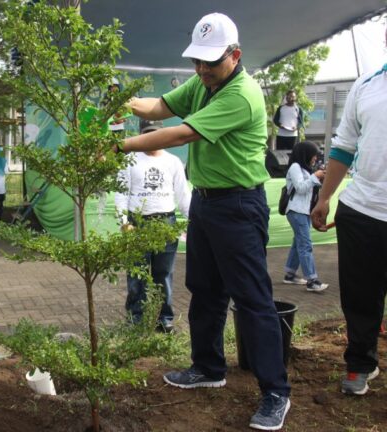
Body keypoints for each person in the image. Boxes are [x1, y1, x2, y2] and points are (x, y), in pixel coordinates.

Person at [117, 13, 291, 430]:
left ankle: (276, 393)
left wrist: (117, 146)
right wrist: (118, 99)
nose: (201, 70)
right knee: (205, 289)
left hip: (239, 206)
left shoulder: (242, 94)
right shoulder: (204, 81)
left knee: (251, 299)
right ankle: (208, 367)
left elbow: (179, 133)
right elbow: (160, 106)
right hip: (207, 204)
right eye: (196, 61)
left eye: (209, 63)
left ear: (235, 56)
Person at [311, 56, 387, 396]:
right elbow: (344, 146)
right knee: (360, 295)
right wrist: (325, 198)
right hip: (362, 209)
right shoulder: (367, 84)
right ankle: (360, 364)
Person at [114, 119, 190, 333]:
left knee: (164, 273)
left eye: (156, 133)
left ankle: (164, 319)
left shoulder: (173, 162)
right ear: (141, 135)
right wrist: (124, 223)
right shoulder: (129, 160)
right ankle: (135, 319)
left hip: (166, 222)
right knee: (136, 273)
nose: (152, 138)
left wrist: (194, 219)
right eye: (148, 133)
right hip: (137, 222)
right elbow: (121, 195)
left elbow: (183, 195)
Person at [282, 141, 328, 292]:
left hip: (302, 211)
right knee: (305, 245)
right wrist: (315, 177)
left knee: (298, 243)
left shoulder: (304, 169)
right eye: (314, 155)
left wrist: (320, 178)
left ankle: (290, 274)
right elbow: (301, 188)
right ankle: (312, 281)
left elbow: (309, 189)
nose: (315, 158)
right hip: (296, 211)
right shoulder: (295, 167)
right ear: (305, 154)